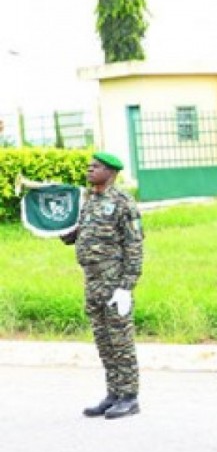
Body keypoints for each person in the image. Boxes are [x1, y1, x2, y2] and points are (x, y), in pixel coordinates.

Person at [64, 151, 144, 420]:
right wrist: (66, 233)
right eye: (89, 166)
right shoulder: (89, 201)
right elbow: (80, 233)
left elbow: (134, 245)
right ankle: (113, 393)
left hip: (114, 282)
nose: (89, 170)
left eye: (95, 167)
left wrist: (126, 286)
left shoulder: (122, 202)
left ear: (110, 172)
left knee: (120, 340)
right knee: (104, 341)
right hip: (93, 281)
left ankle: (129, 397)